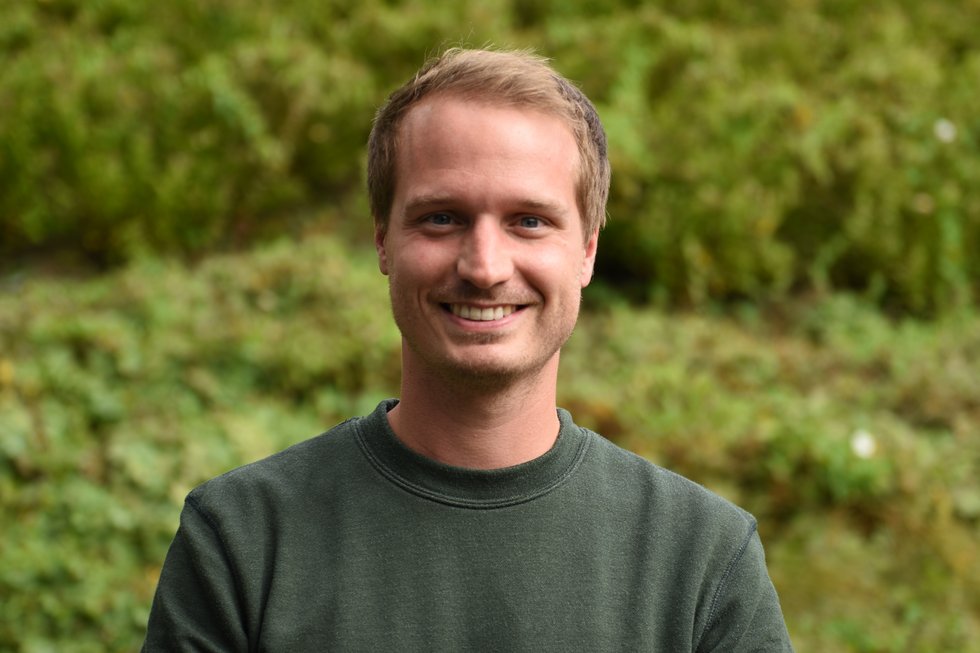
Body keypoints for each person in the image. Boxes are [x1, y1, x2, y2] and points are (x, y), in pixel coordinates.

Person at [142, 47, 794, 651]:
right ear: (382, 239)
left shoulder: (704, 560)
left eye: (529, 221)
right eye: (442, 218)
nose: (484, 267)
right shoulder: (242, 540)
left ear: (587, 251)